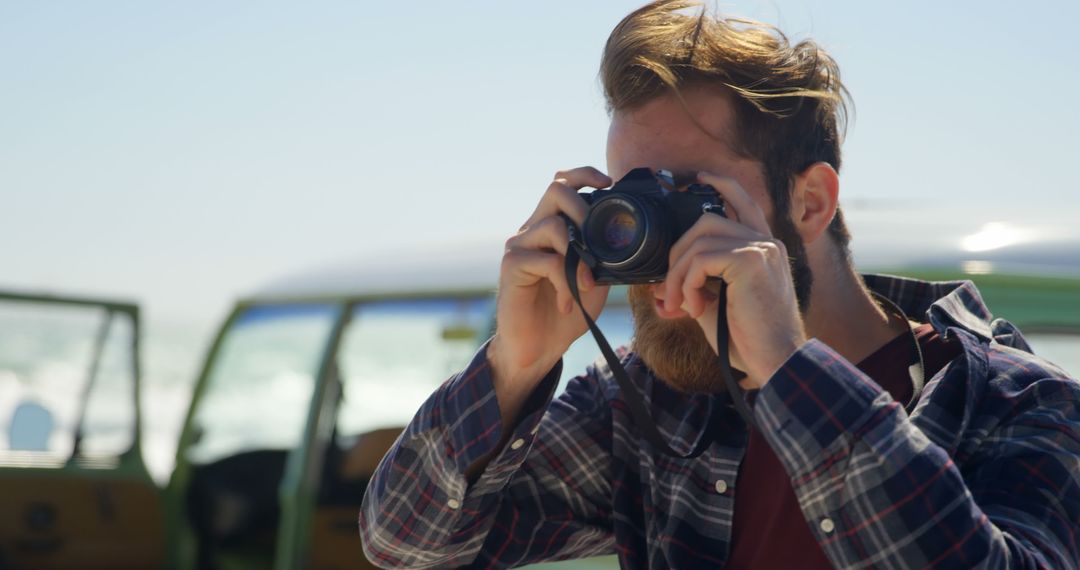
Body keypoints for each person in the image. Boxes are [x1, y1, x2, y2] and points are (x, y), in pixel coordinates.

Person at [359, 1, 1080, 568]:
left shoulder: (1018, 406)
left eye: (686, 199)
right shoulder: (652, 407)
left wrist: (790, 372)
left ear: (810, 203)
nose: (652, 242)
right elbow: (409, 546)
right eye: (629, 199)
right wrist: (513, 366)